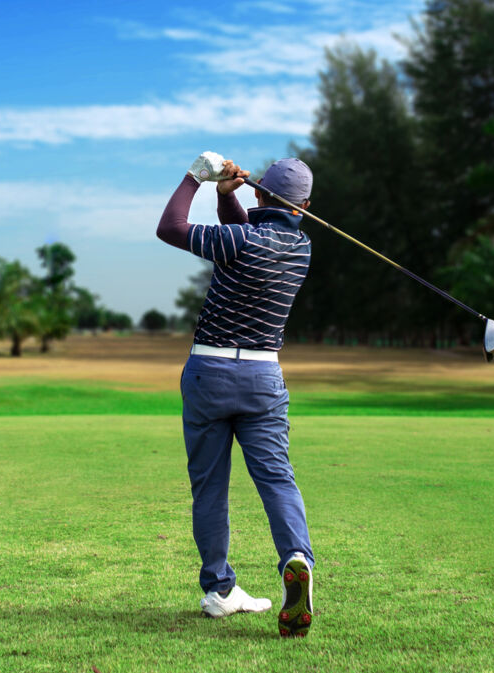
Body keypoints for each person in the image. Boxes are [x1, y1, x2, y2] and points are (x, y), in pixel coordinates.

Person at [156, 152, 316, 638]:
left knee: (210, 485)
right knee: (277, 478)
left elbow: (171, 227)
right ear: (306, 205)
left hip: (209, 371)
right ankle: (296, 558)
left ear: (260, 192)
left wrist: (197, 178)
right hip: (263, 379)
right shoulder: (301, 247)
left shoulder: (239, 238)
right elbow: (247, 236)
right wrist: (229, 197)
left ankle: (221, 590)